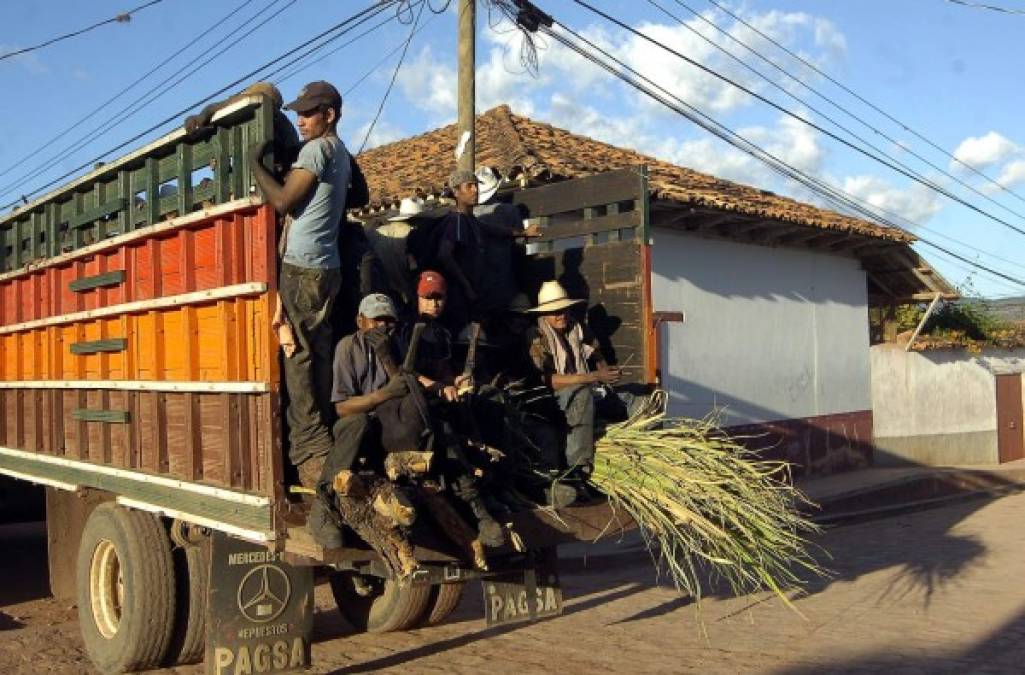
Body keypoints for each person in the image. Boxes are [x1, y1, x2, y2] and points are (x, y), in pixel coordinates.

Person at [249, 80, 351, 486]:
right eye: (298, 112)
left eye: (309, 113)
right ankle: (322, 434)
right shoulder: (341, 152)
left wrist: (256, 164)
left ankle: (309, 447)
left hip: (302, 266)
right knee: (319, 353)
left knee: (299, 356)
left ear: (330, 114)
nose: (301, 120)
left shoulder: (318, 149)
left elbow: (284, 201)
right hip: (328, 266)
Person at [306, 293, 408, 548]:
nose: (382, 326)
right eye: (376, 320)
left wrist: (387, 357)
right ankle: (323, 505)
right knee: (358, 423)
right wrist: (381, 396)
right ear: (360, 321)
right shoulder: (348, 347)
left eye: (388, 320)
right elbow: (342, 408)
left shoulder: (397, 346)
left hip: (387, 424)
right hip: (357, 425)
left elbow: (405, 389)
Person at [526, 281, 625, 482]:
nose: (561, 315)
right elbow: (546, 380)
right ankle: (578, 468)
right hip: (553, 399)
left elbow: (594, 351)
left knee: (631, 397)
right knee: (582, 395)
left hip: (588, 387)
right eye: (555, 311)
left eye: (564, 310)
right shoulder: (536, 335)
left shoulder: (576, 328)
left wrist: (604, 369)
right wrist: (593, 377)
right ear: (544, 314)